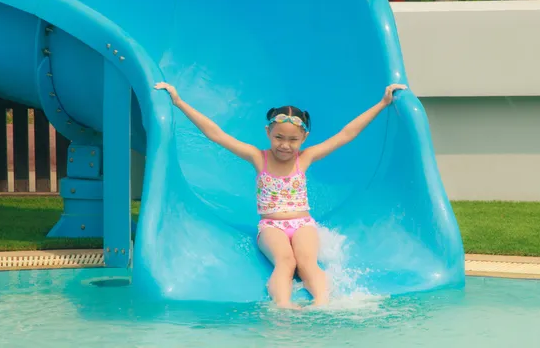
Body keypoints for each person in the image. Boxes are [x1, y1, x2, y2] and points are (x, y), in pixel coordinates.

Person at [155, 81, 407, 309]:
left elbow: (346, 134)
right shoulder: (258, 157)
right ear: (268, 133)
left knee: (307, 263)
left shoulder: (304, 158)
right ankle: (283, 305)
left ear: (303, 138)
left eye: (292, 140)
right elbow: (216, 134)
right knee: (286, 262)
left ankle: (323, 303)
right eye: (278, 137)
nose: (285, 145)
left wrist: (383, 104)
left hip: (303, 223)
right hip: (271, 225)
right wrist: (179, 102)